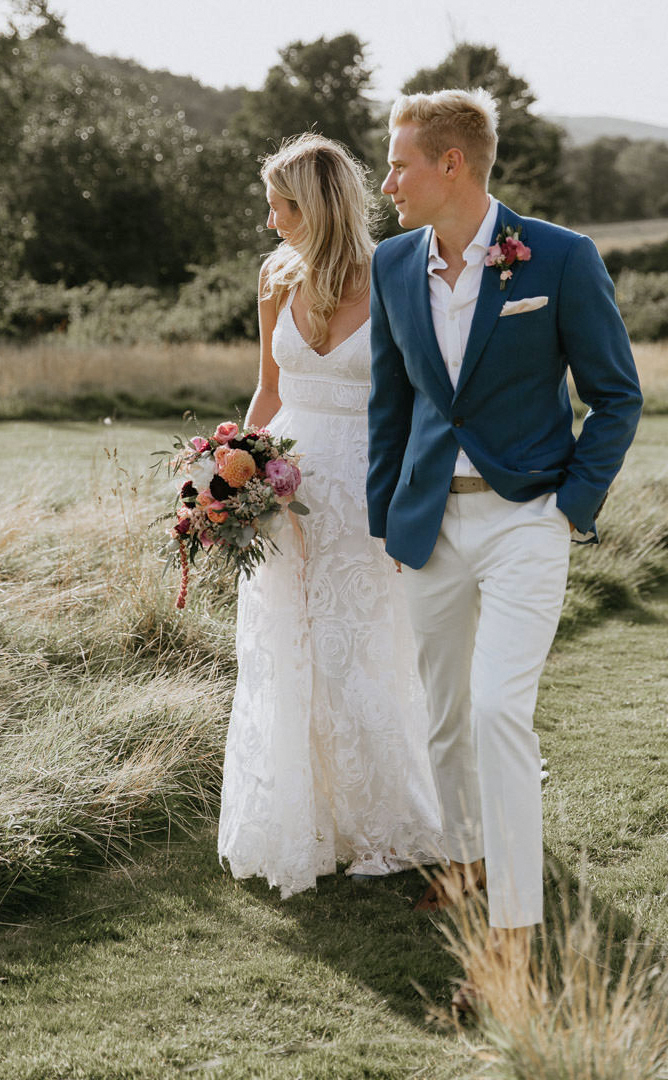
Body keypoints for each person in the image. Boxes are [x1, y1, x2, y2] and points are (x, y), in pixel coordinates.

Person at [367, 90, 642, 986]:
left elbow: (616, 393)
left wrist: (571, 505)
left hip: (528, 517)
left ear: (453, 165)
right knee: (444, 718)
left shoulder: (561, 257)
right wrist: (386, 516)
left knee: (497, 712)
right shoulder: (392, 265)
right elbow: (392, 404)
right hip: (428, 527)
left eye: (400, 162)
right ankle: (463, 862)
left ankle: (516, 928)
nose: (387, 180)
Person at [218, 133, 442, 896]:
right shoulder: (274, 278)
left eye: (280, 206)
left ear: (312, 207)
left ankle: (382, 823)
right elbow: (268, 392)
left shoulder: (397, 276)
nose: (271, 221)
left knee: (364, 648)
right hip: (284, 489)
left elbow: (421, 397)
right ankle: (299, 820)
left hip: (367, 484)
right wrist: (230, 477)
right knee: (287, 646)